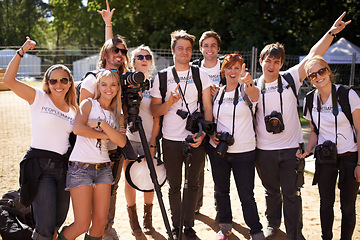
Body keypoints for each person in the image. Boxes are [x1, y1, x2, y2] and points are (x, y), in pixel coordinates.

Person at [254, 12, 351, 240]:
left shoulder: (290, 78)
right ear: (261, 61)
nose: (272, 64)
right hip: (264, 150)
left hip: (290, 150)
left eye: (277, 61)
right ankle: (272, 224)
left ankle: (296, 232)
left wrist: (331, 32)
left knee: (291, 193)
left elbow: (314, 54)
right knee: (271, 192)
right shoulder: (253, 86)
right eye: (268, 60)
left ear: (282, 63)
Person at [3, 37, 78, 240]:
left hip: (64, 170)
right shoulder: (38, 98)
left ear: (70, 83)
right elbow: (9, 80)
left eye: (64, 80)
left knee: (56, 223)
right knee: (44, 226)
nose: (58, 84)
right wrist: (21, 52)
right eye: (53, 80)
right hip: (41, 169)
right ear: (47, 82)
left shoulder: (74, 110)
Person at [98, 2, 161, 236]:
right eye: (139, 56)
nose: (119, 54)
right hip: (113, 136)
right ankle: (106, 227)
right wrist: (108, 25)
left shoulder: (145, 82)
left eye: (148, 57)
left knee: (118, 183)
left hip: (126, 137)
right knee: (113, 183)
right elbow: (110, 50)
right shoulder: (114, 75)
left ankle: (114, 225)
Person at [151, 30, 213, 240]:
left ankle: (188, 226)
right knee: (174, 185)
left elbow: (207, 108)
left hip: (195, 139)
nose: (184, 52)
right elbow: (154, 111)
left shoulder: (200, 74)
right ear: (172, 50)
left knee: (193, 184)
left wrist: (204, 134)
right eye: (180, 48)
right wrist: (169, 102)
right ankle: (175, 227)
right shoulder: (161, 77)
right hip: (170, 140)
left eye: (188, 48)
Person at [79, 2, 130, 238]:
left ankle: (106, 227)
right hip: (96, 144)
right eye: (115, 51)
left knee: (112, 188)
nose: (119, 54)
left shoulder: (123, 77)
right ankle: (95, 228)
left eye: (123, 51)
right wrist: (107, 25)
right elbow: (86, 116)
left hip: (115, 142)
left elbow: (112, 52)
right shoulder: (93, 79)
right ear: (106, 54)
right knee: (96, 189)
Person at [58, 69, 126, 240]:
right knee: (82, 224)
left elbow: (122, 142)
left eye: (113, 85)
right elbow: (79, 129)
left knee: (100, 223)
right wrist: (109, 133)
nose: (108, 89)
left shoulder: (119, 114)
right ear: (98, 86)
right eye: (104, 84)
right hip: (80, 168)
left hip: (103, 170)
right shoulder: (88, 103)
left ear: (118, 88)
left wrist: (101, 123)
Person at [297, 55, 360, 240]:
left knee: (347, 206)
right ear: (309, 80)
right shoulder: (310, 100)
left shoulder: (348, 95)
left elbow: (359, 128)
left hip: (350, 156)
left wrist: (359, 164)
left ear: (329, 71)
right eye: (312, 75)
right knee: (325, 203)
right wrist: (307, 150)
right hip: (325, 157)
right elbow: (315, 132)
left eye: (321, 71)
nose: (318, 76)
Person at [207, 53, 265, 240]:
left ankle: (256, 230)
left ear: (242, 70)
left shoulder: (247, 90)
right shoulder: (218, 93)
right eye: (229, 67)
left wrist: (248, 83)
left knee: (246, 194)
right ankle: (224, 225)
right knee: (221, 190)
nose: (233, 71)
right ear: (223, 70)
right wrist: (213, 134)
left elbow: (255, 95)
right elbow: (213, 118)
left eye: (237, 68)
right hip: (220, 151)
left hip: (244, 152)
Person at [192, 30, 222, 214]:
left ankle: (221, 211)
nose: (209, 48)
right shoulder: (194, 68)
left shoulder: (226, 67)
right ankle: (196, 205)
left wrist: (218, 92)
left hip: (223, 123)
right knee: (198, 168)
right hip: (200, 122)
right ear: (201, 48)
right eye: (206, 45)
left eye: (213, 45)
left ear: (218, 48)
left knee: (219, 169)